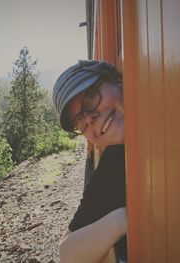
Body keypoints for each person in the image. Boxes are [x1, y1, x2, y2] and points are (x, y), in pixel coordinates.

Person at [52, 60, 127, 263]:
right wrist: (124, 218)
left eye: (91, 97)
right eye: (80, 121)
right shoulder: (115, 161)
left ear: (116, 80)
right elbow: (67, 254)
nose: (90, 118)